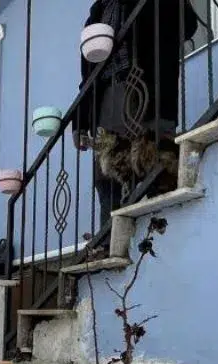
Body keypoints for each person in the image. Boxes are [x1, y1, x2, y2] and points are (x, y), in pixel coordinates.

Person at [74, 0, 200, 228]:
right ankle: (109, 236)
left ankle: (162, 225)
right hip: (108, 93)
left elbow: (187, 25)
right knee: (105, 175)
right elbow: (88, 76)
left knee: (154, 158)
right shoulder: (98, 11)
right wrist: (80, 122)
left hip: (149, 86)